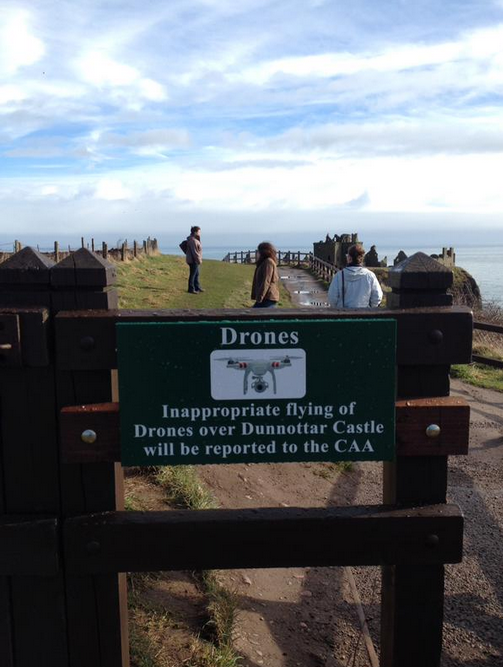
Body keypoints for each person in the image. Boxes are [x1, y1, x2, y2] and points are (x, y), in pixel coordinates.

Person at [251, 242, 280, 308]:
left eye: (259, 251)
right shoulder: (264, 262)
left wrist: (259, 298)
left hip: (268, 298)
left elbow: (266, 281)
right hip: (264, 298)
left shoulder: (268, 262)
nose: (258, 253)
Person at [185, 226, 203, 294]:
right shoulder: (193, 240)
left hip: (193, 260)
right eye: (199, 232)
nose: (200, 233)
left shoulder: (193, 239)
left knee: (196, 274)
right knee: (193, 275)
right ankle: (191, 289)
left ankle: (197, 287)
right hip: (193, 260)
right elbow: (195, 252)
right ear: (195, 232)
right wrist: (199, 260)